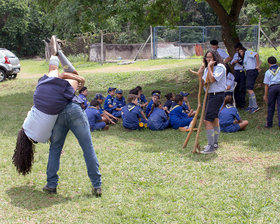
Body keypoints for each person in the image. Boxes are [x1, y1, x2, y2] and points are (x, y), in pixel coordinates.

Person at [13, 44, 84, 176]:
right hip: (40, 96)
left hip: (53, 105)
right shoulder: (25, 126)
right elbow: (33, 113)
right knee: (53, 69)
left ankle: (60, 66)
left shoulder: (43, 137)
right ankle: (55, 54)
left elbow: (54, 133)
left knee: (74, 76)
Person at [200, 50, 226, 154]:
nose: (209, 59)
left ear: (215, 57)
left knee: (207, 120)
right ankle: (215, 143)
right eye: (207, 57)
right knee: (214, 119)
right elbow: (204, 82)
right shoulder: (207, 68)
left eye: (210, 57)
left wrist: (210, 68)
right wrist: (201, 73)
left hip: (217, 95)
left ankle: (211, 146)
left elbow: (211, 80)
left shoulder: (220, 67)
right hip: (209, 95)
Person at [238, 46, 261, 114]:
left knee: (249, 88)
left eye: (241, 51)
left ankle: (255, 106)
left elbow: (256, 54)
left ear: (243, 50)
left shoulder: (248, 52)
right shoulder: (244, 57)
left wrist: (257, 65)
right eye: (239, 52)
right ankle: (250, 106)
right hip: (248, 72)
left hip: (252, 71)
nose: (241, 53)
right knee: (248, 88)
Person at [263, 56, 280, 128]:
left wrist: (265, 95)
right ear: (276, 62)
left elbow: (266, 85)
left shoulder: (268, 72)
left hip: (272, 88)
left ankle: (269, 123)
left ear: (268, 63)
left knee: (271, 106)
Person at [230, 42, 246, 108]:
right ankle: (236, 103)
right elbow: (231, 63)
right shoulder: (236, 55)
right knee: (236, 87)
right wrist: (234, 62)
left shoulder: (245, 54)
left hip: (242, 71)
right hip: (236, 72)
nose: (238, 51)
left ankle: (242, 103)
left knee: (242, 87)